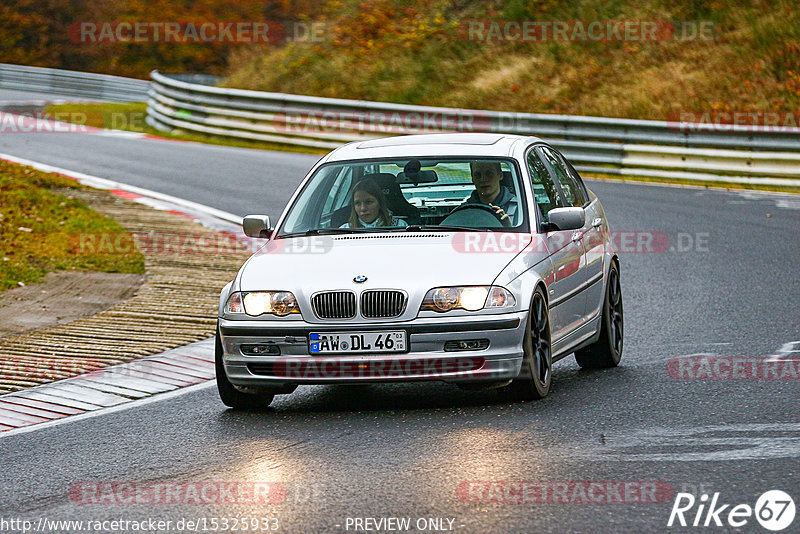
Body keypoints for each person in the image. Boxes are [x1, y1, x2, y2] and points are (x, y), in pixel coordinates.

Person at [340, 179, 409, 228]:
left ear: (379, 203)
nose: (363, 208)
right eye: (357, 203)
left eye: (369, 202)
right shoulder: (344, 231)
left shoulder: (399, 226)